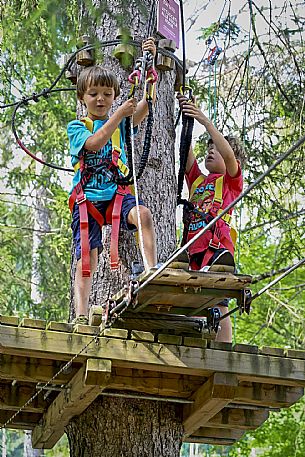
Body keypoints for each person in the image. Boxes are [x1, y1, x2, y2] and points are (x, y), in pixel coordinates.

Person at [68, 38, 158, 325]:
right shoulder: (77, 127)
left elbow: (146, 106)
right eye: (93, 93)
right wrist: (119, 113)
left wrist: (151, 67)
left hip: (115, 196)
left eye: (107, 94)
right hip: (88, 201)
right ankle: (82, 314)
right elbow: (93, 144)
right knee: (87, 259)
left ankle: (151, 273)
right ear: (83, 97)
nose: (100, 99)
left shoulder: (121, 121)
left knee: (143, 214)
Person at [177, 94, 246, 342]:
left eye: (214, 149)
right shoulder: (198, 181)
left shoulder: (230, 182)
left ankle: (224, 349)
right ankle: (200, 343)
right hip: (193, 249)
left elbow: (229, 157)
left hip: (216, 249)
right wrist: (187, 119)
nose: (210, 152)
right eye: (208, 149)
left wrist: (205, 121)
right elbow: (187, 156)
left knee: (219, 299)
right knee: (194, 298)